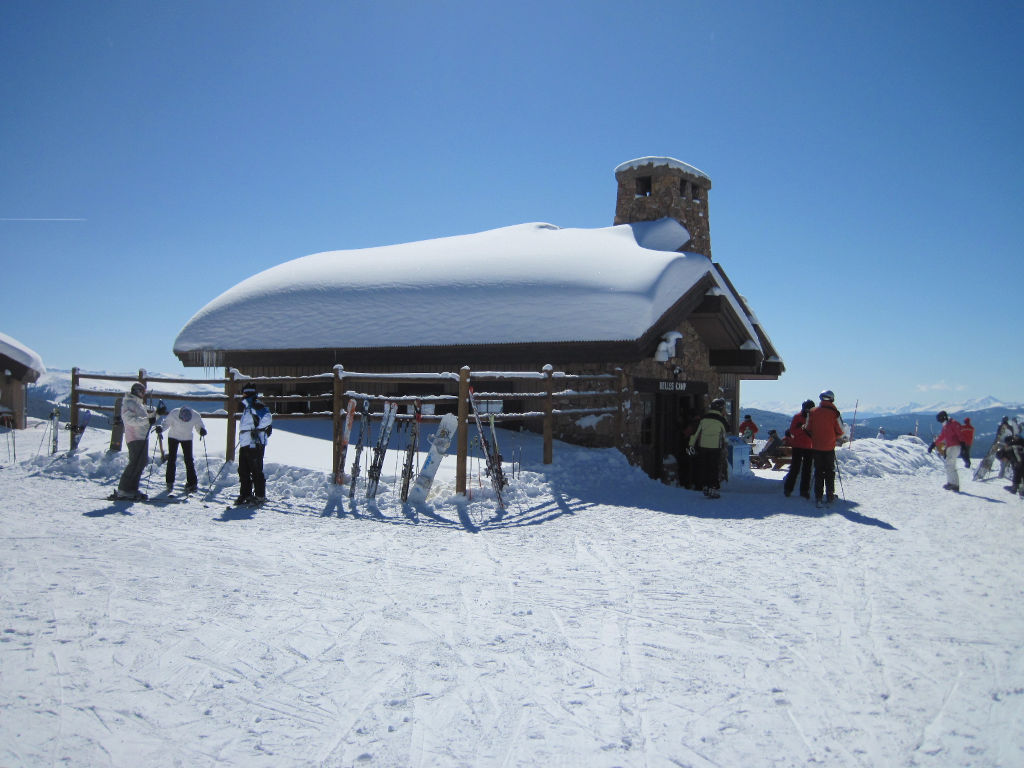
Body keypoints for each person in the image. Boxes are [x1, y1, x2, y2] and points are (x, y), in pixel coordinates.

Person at [115, 382, 156, 500]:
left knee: (141, 462)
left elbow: (145, 418)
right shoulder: (129, 403)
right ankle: (124, 489)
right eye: (142, 392)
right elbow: (130, 421)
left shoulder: (138, 404)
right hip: (134, 437)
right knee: (135, 463)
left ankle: (132, 489)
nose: (144, 394)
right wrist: (148, 420)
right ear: (137, 391)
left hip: (142, 437)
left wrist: (156, 414)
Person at [804, 390, 844, 507]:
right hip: (829, 447)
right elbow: (840, 431)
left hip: (816, 446)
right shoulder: (835, 413)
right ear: (832, 399)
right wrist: (833, 437)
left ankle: (818, 497)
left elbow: (807, 428)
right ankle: (830, 494)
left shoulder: (813, 412)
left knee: (818, 471)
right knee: (830, 471)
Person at [157, 406, 208, 493]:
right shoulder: (174, 413)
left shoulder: (196, 416)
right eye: (182, 419)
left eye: (186, 420)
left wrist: (201, 431)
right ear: (180, 415)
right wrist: (161, 428)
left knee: (189, 460)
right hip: (173, 437)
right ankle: (169, 482)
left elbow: (199, 426)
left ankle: (192, 483)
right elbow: (166, 423)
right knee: (172, 459)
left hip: (187, 438)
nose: (184, 421)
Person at [236, 384, 273, 505]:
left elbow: (268, 417)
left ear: (247, 394)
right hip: (246, 441)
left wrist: (258, 429)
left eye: (244, 394)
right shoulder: (248, 407)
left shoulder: (256, 405)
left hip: (255, 442)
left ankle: (260, 496)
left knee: (256, 469)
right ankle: (245, 494)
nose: (242, 396)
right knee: (243, 469)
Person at [688, 398, 730, 499]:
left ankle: (705, 486)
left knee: (704, 466)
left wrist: (691, 445)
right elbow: (726, 431)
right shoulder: (721, 419)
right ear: (720, 408)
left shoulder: (704, 418)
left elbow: (697, 433)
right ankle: (713, 488)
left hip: (703, 446)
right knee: (713, 467)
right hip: (715, 446)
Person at [784, 399, 815, 499]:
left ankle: (804, 491)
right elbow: (792, 432)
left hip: (809, 447)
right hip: (798, 446)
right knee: (795, 468)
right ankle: (788, 489)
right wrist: (802, 428)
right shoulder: (797, 417)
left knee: (807, 470)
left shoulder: (814, 418)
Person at [928, 410, 964, 492]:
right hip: (950, 447)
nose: (940, 422)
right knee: (949, 465)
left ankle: (954, 484)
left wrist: (963, 446)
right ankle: (951, 483)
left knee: (950, 464)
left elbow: (960, 434)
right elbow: (942, 436)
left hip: (955, 446)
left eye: (940, 420)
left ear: (944, 418)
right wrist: (934, 444)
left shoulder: (953, 424)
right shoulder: (946, 425)